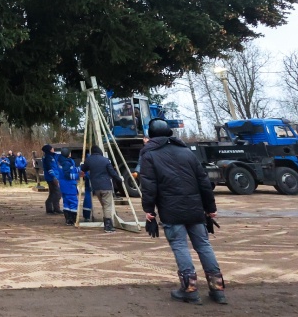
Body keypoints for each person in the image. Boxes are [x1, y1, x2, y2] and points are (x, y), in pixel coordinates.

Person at [140, 118, 226, 305]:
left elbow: (148, 185)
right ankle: (217, 288)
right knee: (203, 245)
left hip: (171, 210)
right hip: (195, 209)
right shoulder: (187, 152)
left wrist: (149, 210)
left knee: (180, 246)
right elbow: (203, 181)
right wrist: (210, 208)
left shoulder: (149, 155)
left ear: (151, 135)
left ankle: (190, 289)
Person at [82, 145, 121, 233]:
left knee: (104, 205)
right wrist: (119, 180)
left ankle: (106, 222)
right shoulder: (105, 160)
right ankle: (108, 225)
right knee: (107, 205)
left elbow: (83, 169)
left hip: (96, 187)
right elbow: (112, 173)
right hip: (106, 186)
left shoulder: (89, 160)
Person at [56, 147, 79, 225]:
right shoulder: (66, 162)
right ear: (68, 154)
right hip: (69, 185)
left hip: (63, 185)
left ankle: (68, 219)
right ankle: (72, 219)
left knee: (66, 202)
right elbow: (68, 175)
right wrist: (78, 176)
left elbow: (72, 169)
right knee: (73, 202)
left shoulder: (61, 160)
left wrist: (79, 169)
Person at [41, 144, 61, 215]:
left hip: (54, 176)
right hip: (51, 178)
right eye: (52, 148)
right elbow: (49, 168)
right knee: (57, 193)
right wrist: (54, 177)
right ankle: (56, 208)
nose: (53, 149)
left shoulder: (53, 156)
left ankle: (51, 208)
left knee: (53, 193)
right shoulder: (48, 158)